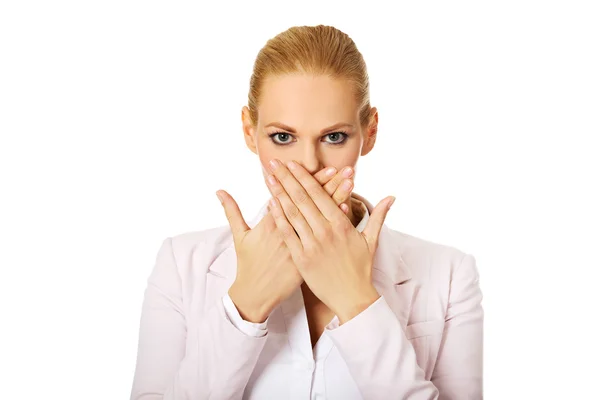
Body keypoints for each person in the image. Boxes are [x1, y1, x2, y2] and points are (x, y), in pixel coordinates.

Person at [130, 24, 483, 400]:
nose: (308, 165)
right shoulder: (182, 265)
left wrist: (356, 302)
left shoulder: (449, 276)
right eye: (283, 137)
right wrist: (245, 305)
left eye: (334, 137)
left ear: (370, 131)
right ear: (250, 132)